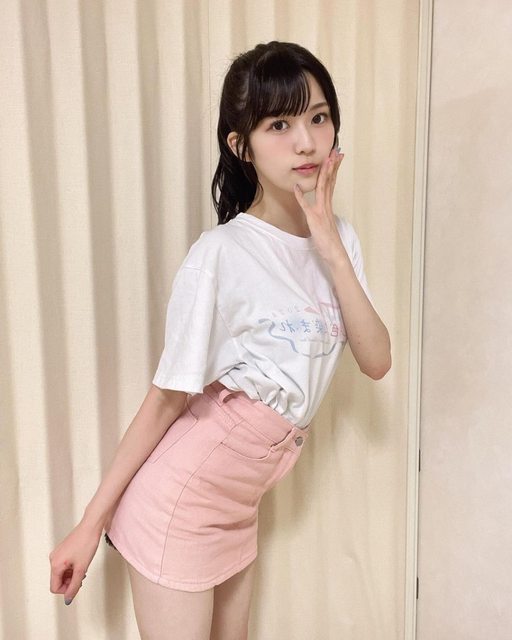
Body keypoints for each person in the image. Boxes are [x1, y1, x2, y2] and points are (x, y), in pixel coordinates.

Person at [49, 40, 391, 639]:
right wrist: (88, 525)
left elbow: (377, 360)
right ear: (241, 146)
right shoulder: (222, 255)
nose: (307, 142)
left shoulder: (342, 241)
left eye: (318, 117)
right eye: (279, 124)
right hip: (180, 502)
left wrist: (330, 246)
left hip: (238, 505)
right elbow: (167, 399)